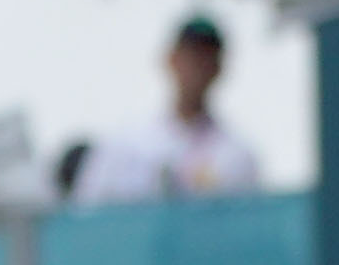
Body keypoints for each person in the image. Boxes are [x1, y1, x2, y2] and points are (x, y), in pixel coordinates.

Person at [76, 15, 262, 202]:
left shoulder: (236, 154)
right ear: (171, 59)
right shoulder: (125, 142)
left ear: (219, 68)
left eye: (206, 58)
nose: (197, 68)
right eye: (191, 56)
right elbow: (87, 212)